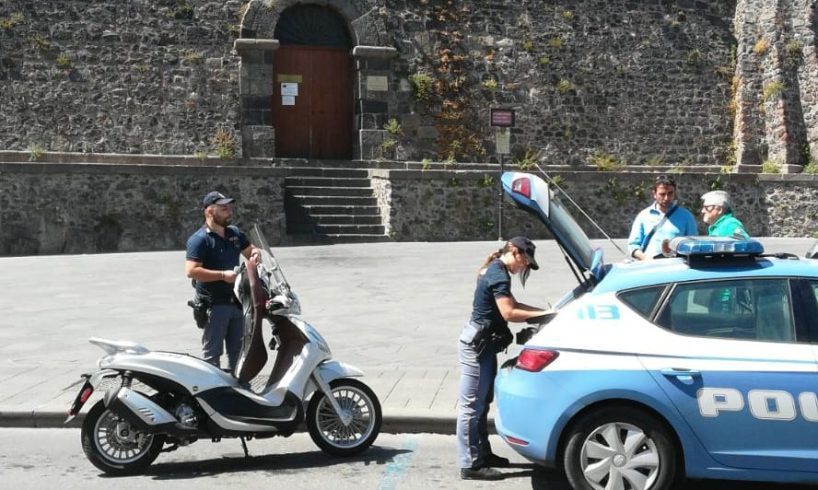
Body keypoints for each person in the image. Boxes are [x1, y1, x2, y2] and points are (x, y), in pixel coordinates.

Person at [457, 236, 548, 481]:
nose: (525, 267)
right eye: (525, 261)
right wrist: (544, 314)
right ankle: (470, 464)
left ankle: (483, 454)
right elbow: (508, 311)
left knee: (482, 403)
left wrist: (543, 313)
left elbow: (513, 303)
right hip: (477, 346)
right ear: (515, 252)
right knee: (471, 407)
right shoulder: (498, 273)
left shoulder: (497, 268)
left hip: (482, 344)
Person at [185, 191, 259, 372]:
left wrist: (256, 253)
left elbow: (251, 251)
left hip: (237, 302)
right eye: (224, 208)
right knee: (212, 355)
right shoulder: (200, 239)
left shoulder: (234, 233)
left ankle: (240, 391)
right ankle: (213, 394)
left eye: (230, 207)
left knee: (239, 353)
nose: (229, 211)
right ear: (210, 211)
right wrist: (223, 276)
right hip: (214, 305)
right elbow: (191, 271)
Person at [628, 175, 697, 260]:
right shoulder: (643, 216)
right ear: (654, 194)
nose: (666, 198)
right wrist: (645, 258)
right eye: (662, 194)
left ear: (675, 193)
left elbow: (693, 246)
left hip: (676, 267)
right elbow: (633, 245)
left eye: (670, 193)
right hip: (649, 266)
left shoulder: (687, 216)